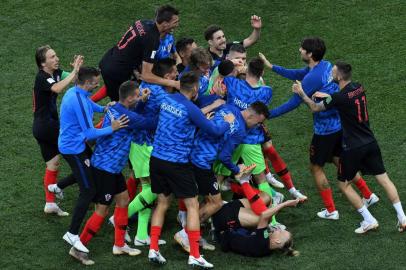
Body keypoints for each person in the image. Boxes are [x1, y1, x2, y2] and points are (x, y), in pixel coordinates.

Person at [264, 37, 378, 219]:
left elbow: (293, 103)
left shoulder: (313, 77)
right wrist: (273, 67)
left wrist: (267, 114)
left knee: (316, 167)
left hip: (324, 131)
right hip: (339, 126)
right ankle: (368, 195)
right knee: (340, 161)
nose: (299, 50)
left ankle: (331, 210)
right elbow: (300, 73)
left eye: (302, 49)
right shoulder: (325, 66)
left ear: (310, 54)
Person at [292, 61, 406, 233]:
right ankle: (402, 217)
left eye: (333, 72)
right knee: (384, 179)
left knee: (343, 185)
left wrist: (302, 93)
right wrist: (327, 96)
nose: (331, 74)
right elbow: (342, 100)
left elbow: (315, 108)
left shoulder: (338, 98)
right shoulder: (358, 87)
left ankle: (368, 220)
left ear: (338, 76)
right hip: (370, 141)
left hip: (353, 147)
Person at [147, 72, 235, 268]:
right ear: (195, 89)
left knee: (162, 203)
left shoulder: (167, 99)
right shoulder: (190, 108)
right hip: (177, 164)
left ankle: (153, 248)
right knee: (193, 205)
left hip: (157, 160)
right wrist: (226, 121)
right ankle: (195, 254)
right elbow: (214, 130)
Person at [71, 81, 158, 265]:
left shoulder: (115, 107)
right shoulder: (126, 116)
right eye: (137, 94)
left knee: (124, 201)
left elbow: (134, 112)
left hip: (112, 167)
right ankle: (78, 247)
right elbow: (150, 123)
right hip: (105, 169)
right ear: (128, 98)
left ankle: (119, 245)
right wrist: (163, 108)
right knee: (102, 210)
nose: (140, 96)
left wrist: (141, 100)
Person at [174, 102, 270, 252]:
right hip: (202, 163)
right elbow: (225, 156)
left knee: (203, 197)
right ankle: (185, 234)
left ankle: (193, 232)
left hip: (190, 154)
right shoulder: (240, 131)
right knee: (216, 202)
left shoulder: (229, 108)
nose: (256, 126)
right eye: (258, 123)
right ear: (251, 116)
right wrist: (237, 170)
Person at [56, 67, 128, 255]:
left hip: (74, 144)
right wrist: (112, 128)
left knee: (88, 174)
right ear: (87, 83)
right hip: (74, 149)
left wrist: (103, 108)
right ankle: (72, 233)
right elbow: (89, 134)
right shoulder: (78, 99)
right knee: (88, 190)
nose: (98, 84)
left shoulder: (76, 92)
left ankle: (57, 187)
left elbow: (89, 104)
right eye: (96, 82)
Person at [127, 58, 178, 247]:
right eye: (174, 72)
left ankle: (141, 234)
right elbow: (178, 111)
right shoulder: (160, 95)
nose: (176, 75)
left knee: (147, 188)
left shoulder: (148, 84)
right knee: (156, 189)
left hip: (141, 144)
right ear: (166, 76)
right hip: (144, 146)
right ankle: (120, 217)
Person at [32, 45, 83, 216]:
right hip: (47, 126)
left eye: (56, 56)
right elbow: (57, 88)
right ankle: (84, 185)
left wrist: (77, 70)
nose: (57, 59)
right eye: (52, 57)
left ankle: (50, 203)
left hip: (41, 127)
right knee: (79, 153)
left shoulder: (56, 73)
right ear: (43, 63)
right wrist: (75, 70)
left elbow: (76, 81)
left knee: (53, 164)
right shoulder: (42, 77)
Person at [99, 5, 180, 101]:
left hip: (109, 58)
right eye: (175, 22)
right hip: (116, 72)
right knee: (122, 106)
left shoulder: (143, 22)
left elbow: (136, 47)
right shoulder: (152, 40)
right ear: (165, 24)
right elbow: (146, 75)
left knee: (118, 97)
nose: (177, 25)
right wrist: (173, 83)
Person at [212, 173, 300, 257]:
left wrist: (285, 204)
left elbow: (264, 215)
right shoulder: (267, 247)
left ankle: (243, 182)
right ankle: (237, 184)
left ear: (277, 241)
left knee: (264, 217)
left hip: (222, 220)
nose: (279, 229)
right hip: (232, 219)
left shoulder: (262, 242)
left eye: (280, 232)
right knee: (266, 198)